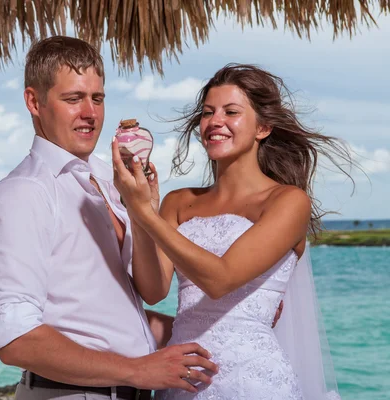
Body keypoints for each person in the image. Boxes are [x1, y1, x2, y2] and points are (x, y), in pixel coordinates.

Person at [0, 36, 219, 400]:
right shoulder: (23, 194)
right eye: (73, 99)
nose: (90, 113)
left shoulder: (108, 177)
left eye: (98, 98)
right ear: (34, 101)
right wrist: (138, 370)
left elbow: (151, 293)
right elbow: (16, 339)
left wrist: (142, 211)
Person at [112, 64, 348, 399]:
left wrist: (145, 214)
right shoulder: (180, 201)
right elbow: (152, 290)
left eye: (231, 112)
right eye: (208, 113)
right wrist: (139, 212)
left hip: (254, 383)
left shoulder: (288, 202)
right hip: (180, 378)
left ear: (262, 127)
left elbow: (220, 279)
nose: (214, 122)